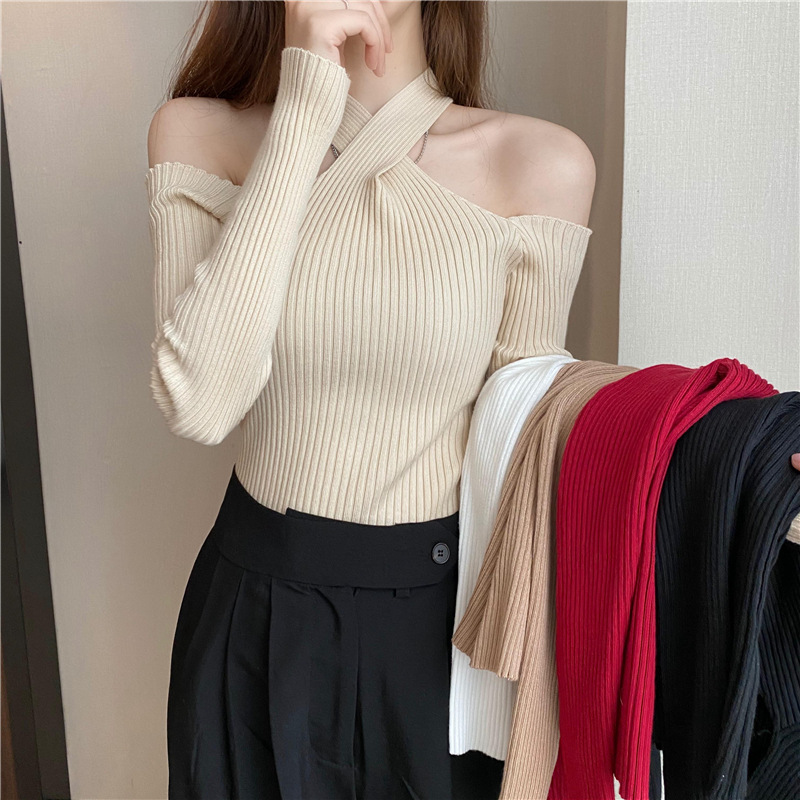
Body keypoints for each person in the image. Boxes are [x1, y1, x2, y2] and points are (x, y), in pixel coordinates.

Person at [145, 1, 596, 798]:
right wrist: (304, 106)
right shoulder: (200, 132)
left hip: (439, 635)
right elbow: (202, 404)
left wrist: (743, 448)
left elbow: (523, 444)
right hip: (254, 617)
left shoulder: (538, 164)